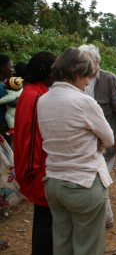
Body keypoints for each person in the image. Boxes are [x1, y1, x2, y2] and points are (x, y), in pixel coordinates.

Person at [37, 47, 114, 255]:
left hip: (53, 182)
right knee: (88, 247)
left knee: (62, 243)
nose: (88, 82)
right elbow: (109, 138)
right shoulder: (84, 101)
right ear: (77, 73)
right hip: (83, 183)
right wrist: (95, 142)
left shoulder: (43, 100)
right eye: (87, 77)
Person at [78, 44, 116, 227]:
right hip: (85, 142)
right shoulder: (76, 80)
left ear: (97, 61)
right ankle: (105, 218)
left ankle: (105, 219)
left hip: (107, 141)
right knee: (94, 179)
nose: (82, 65)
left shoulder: (109, 79)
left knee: (100, 179)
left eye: (86, 61)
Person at [14, 51, 56, 255]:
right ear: (47, 73)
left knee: (44, 220)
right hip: (38, 169)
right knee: (46, 222)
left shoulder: (31, 92)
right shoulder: (36, 96)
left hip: (36, 167)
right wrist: (35, 172)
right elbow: (31, 139)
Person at [0, 54, 14, 145]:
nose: (12, 69)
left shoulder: (3, 84)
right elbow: (11, 103)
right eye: (11, 67)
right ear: (2, 67)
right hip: (3, 125)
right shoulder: (1, 87)